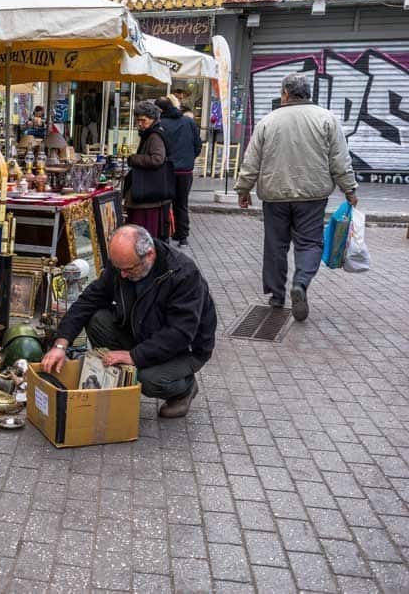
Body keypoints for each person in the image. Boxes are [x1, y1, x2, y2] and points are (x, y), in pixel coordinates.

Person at [42, 225, 217, 418]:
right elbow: (88, 300)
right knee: (97, 319)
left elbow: (179, 334)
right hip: (143, 331)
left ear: (149, 255)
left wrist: (133, 356)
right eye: (119, 268)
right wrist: (60, 344)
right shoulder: (122, 265)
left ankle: (185, 389)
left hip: (185, 350)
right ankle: (121, 376)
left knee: (148, 380)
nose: (122, 275)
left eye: (128, 269)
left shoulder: (183, 274)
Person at [235, 72, 358, 321]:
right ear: (308, 93)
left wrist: (243, 189)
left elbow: (251, 160)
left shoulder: (268, 121)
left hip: (274, 195)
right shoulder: (327, 119)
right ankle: (300, 283)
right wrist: (350, 188)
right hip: (312, 195)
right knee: (310, 242)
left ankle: (276, 296)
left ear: (285, 94)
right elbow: (340, 159)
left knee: (275, 245)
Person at [155, 96, 202, 246]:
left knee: (164, 204)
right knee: (182, 204)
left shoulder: (160, 124)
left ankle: (164, 236)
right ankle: (182, 237)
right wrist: (188, 159)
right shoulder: (188, 122)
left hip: (166, 170)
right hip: (185, 171)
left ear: (161, 110)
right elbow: (197, 145)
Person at [124, 100, 172, 240]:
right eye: (137, 120)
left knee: (143, 234)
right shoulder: (150, 133)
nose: (139, 123)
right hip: (148, 195)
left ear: (152, 119)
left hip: (148, 195)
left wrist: (134, 159)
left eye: (143, 120)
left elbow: (157, 159)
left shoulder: (155, 136)